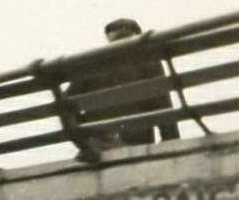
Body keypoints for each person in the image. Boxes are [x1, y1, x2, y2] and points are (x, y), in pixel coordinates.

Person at [67, 17, 178, 152]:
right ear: (137, 35)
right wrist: (171, 144)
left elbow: (66, 105)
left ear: (109, 38)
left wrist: (86, 139)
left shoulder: (90, 63)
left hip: (99, 144)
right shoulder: (148, 59)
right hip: (137, 144)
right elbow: (163, 105)